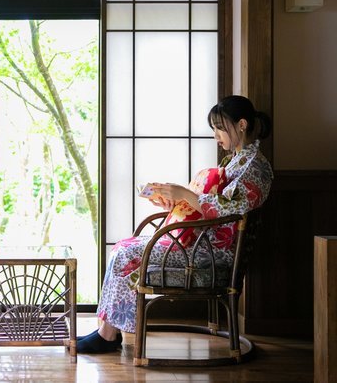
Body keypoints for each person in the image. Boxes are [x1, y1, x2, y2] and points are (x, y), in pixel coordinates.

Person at [77, 95, 274, 353]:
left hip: (213, 253)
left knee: (126, 252)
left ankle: (108, 334)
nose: (216, 136)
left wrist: (183, 194)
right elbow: (211, 203)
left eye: (219, 128)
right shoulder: (235, 160)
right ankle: (108, 328)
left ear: (242, 124)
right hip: (200, 240)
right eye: (213, 129)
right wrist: (174, 203)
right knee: (123, 247)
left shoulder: (255, 168)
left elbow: (228, 209)